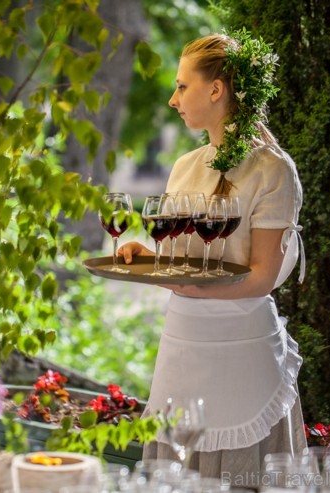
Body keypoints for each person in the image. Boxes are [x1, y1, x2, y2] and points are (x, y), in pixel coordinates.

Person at [119, 32, 306, 486]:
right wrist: (146, 258)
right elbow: (181, 261)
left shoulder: (273, 170)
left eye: (183, 86)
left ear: (216, 89)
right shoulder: (184, 165)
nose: (172, 98)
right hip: (182, 344)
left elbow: (262, 278)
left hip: (242, 352)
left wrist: (192, 286)